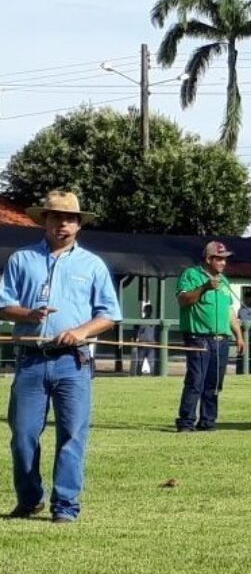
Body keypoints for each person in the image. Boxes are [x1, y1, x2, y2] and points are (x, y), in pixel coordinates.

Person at [2, 190, 121, 522]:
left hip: (73, 361)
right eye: (56, 217)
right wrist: (28, 314)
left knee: (72, 435)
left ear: (79, 224)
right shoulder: (21, 260)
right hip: (30, 360)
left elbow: (109, 315)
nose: (63, 224)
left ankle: (65, 506)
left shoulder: (93, 265)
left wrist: (81, 331)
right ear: (44, 220)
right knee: (23, 436)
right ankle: (29, 500)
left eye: (70, 219)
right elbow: (3, 304)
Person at [175, 240, 245, 433]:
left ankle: (208, 421)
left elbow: (229, 310)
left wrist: (239, 335)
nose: (223, 263)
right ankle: (186, 421)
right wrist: (205, 287)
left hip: (221, 340)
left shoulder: (224, 281)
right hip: (198, 337)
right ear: (208, 259)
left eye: (225, 259)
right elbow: (183, 300)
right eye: (219, 259)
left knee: (214, 382)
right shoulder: (191, 275)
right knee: (196, 380)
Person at [235, 291, 251, 375]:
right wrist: (242, 332)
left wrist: (248, 329)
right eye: (247, 299)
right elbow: (238, 321)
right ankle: (239, 372)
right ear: (244, 299)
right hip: (242, 336)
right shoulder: (240, 310)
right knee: (241, 353)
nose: (249, 301)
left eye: (250, 299)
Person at [134, 303, 157, 376]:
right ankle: (138, 375)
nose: (148, 312)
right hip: (142, 344)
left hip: (151, 345)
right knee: (140, 362)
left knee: (152, 362)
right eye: (147, 310)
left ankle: (153, 375)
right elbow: (135, 332)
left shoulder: (154, 322)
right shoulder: (140, 322)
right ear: (144, 311)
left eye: (150, 310)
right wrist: (136, 339)